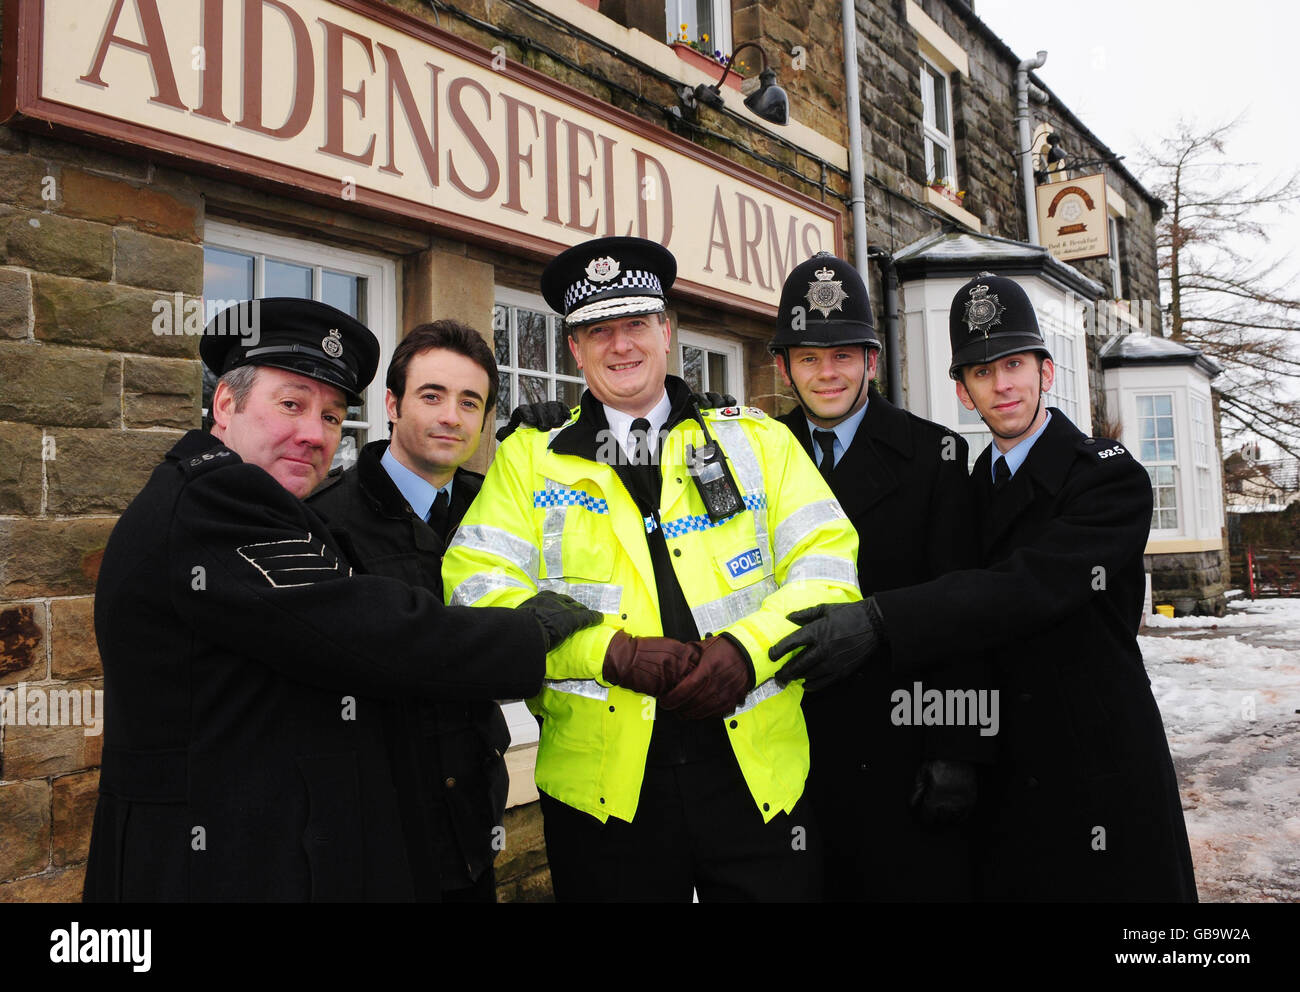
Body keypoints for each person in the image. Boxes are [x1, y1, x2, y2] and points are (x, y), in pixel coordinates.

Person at [84, 298, 599, 902]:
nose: (313, 433)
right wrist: (529, 632)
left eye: (331, 417)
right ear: (225, 402)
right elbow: (367, 631)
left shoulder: (242, 499)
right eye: (291, 404)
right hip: (204, 862)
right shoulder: (219, 501)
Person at [442, 236, 861, 902]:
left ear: (666, 330)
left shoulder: (756, 440)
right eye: (597, 331)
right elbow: (475, 586)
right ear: (574, 349)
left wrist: (747, 655)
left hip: (755, 775)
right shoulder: (529, 459)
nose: (621, 345)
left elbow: (828, 566)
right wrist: (608, 653)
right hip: (604, 791)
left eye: (637, 322)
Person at [772, 272, 1198, 901]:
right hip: (1009, 773)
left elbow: (1023, 586)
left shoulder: (1107, 481)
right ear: (963, 391)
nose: (1001, 385)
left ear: (1045, 374)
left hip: (1091, 763)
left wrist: (879, 620)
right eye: (981, 372)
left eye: (1015, 365)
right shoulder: (973, 480)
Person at [770, 252, 990, 901]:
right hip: (783, 757)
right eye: (808, 356)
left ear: (872, 360)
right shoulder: (754, 453)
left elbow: (964, 612)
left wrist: (958, 753)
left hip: (896, 755)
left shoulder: (937, 458)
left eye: (844, 354)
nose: (826, 372)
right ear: (783, 366)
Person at [308, 320, 511, 902]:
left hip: (472, 823)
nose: (451, 416)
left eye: (469, 402)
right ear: (392, 405)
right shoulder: (327, 519)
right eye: (432, 395)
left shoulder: (494, 509)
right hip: (372, 831)